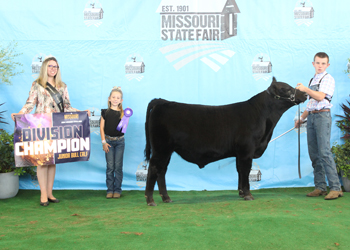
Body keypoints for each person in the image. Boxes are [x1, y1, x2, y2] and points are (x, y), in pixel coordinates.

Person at [11, 56, 91, 206]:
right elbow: (30, 103)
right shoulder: (37, 85)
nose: (53, 69)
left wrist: (82, 112)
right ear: (44, 68)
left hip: (58, 127)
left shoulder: (62, 86)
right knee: (42, 160)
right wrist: (20, 113)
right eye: (50, 66)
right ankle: (42, 195)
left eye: (56, 66)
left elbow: (67, 106)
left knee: (53, 160)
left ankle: (49, 193)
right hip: (41, 126)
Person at [295, 52, 343, 200]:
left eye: (323, 63)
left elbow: (321, 97)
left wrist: (306, 89)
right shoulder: (312, 80)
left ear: (327, 65)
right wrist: (301, 119)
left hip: (322, 116)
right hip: (312, 117)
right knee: (314, 153)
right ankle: (320, 187)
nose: (320, 66)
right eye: (318, 63)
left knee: (324, 152)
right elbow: (311, 103)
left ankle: (335, 188)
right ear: (313, 64)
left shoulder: (328, 78)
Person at [100, 87, 125, 199]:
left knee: (118, 167)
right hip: (108, 141)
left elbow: (123, 129)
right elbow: (101, 128)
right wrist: (104, 142)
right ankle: (110, 190)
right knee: (110, 167)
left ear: (121, 101)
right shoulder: (105, 112)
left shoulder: (124, 114)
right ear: (109, 99)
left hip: (120, 142)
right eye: (113, 97)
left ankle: (117, 190)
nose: (115, 99)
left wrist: (126, 117)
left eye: (118, 98)